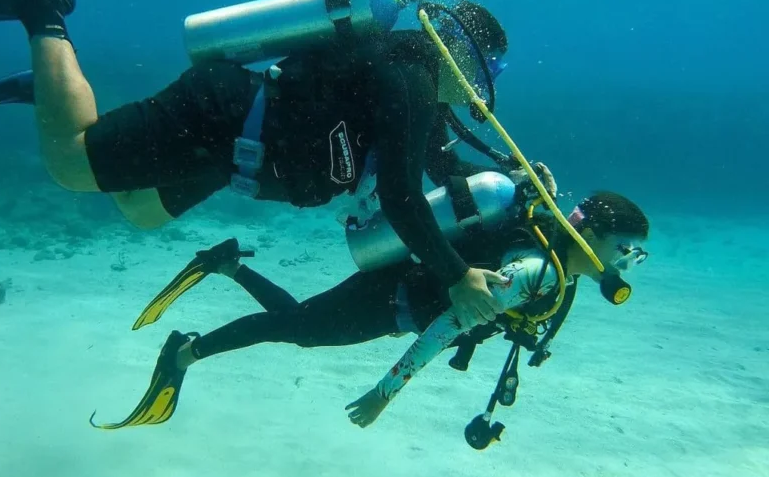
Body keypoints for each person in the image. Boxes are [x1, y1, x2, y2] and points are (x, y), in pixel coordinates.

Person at [0, 0, 553, 331]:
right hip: (219, 117)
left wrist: (519, 183)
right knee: (69, 163)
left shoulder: (417, 89)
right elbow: (400, 195)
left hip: (233, 156)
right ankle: (41, 10)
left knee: (139, 211)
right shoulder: (412, 81)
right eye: (487, 72)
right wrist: (456, 276)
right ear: (460, 53)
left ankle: (51, 86)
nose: (482, 91)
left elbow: (441, 168)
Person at [90, 188, 650, 438]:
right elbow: (449, 324)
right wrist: (387, 391)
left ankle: (228, 265)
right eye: (625, 250)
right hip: (392, 301)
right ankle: (183, 353)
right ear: (596, 236)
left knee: (301, 326)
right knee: (297, 329)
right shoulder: (537, 273)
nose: (625, 263)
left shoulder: (556, 268)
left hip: (397, 294)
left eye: (633, 256)